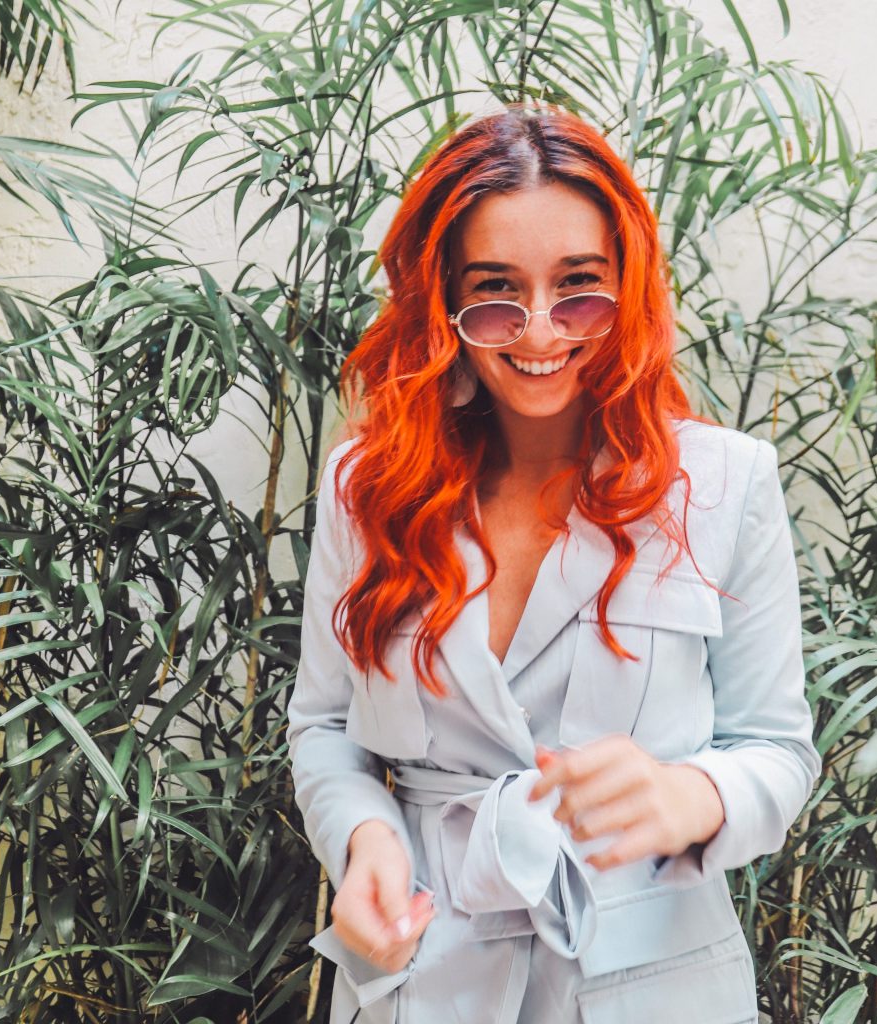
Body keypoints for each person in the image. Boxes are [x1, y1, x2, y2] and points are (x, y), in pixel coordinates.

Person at [286, 106, 821, 1024]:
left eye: (579, 289)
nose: (539, 332)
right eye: (496, 293)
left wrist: (689, 794)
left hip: (653, 984)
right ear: (443, 305)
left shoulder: (726, 483)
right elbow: (326, 726)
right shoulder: (364, 489)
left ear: (630, 287)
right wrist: (365, 839)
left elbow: (777, 750)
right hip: (424, 975)